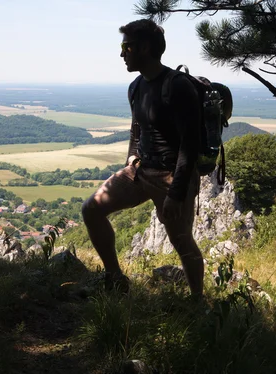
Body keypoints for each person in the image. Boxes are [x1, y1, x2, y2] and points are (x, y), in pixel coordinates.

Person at [81, 19, 204, 296]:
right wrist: (132, 157)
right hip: (140, 171)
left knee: (181, 240)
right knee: (91, 209)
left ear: (144, 48)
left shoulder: (178, 86)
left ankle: (198, 302)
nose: (122, 53)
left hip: (172, 176)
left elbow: (190, 145)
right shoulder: (136, 86)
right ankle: (115, 279)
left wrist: (176, 192)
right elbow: (137, 128)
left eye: (126, 47)